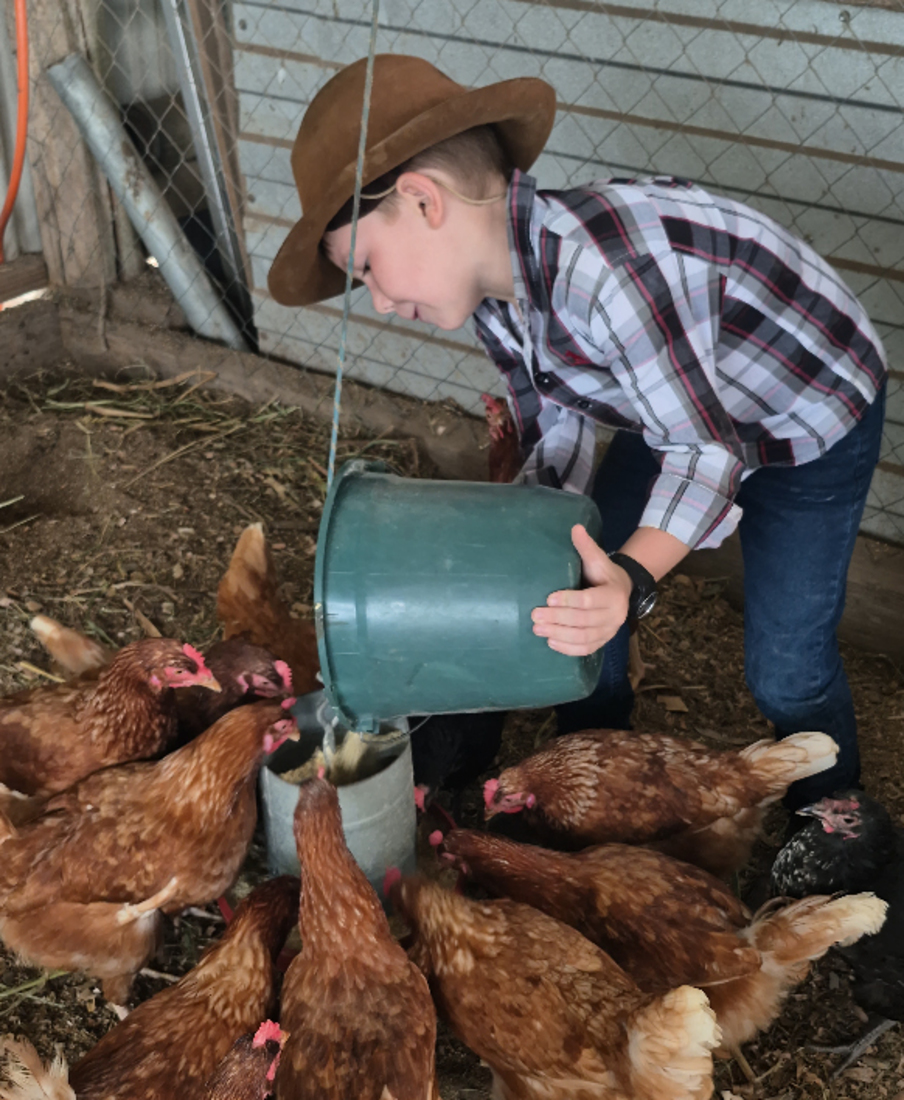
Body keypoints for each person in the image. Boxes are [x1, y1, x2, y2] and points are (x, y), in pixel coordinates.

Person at [268, 55, 888, 809]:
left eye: (366, 268)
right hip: (679, 411)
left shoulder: (608, 273)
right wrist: (522, 551)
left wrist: (631, 576)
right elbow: (552, 427)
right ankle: (597, 765)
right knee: (573, 576)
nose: (381, 302)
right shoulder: (499, 294)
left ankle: (835, 807)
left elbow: (706, 454)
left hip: (806, 416)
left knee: (786, 666)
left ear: (423, 200)